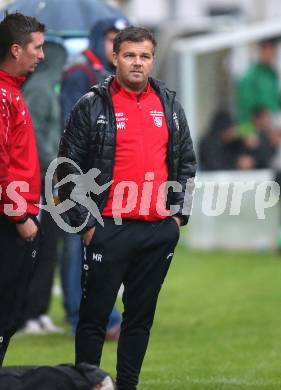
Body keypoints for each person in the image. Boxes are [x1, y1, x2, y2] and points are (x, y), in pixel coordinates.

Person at [58, 26, 196, 389]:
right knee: (94, 318)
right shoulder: (92, 104)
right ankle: (87, 384)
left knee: (140, 319)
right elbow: (66, 169)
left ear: (152, 60)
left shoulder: (169, 105)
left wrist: (177, 216)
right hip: (107, 228)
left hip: (156, 230)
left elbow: (186, 164)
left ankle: (127, 386)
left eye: (145, 56)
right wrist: (86, 223)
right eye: (130, 55)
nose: (137, 62)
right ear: (115, 57)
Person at [60, 17, 128, 337]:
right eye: (112, 39)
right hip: (79, 172)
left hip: (102, 173)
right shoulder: (80, 72)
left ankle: (101, 315)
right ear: (99, 38)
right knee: (80, 245)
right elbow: (72, 125)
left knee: (98, 245)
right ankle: (81, 317)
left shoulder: (108, 75)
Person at [0, 12, 45, 364]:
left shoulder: (12, 91)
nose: (41, 55)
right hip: (10, 220)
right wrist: (20, 216)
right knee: (5, 313)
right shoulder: (2, 95)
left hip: (18, 214)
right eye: (37, 48)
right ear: (16, 50)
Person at [18, 37, 67, 334]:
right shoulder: (38, 91)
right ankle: (28, 313)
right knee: (39, 247)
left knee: (50, 246)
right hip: (40, 181)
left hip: (48, 178)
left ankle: (39, 311)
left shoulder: (46, 89)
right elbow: (34, 138)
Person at [237, 37, 281, 135]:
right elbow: (246, 109)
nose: (274, 54)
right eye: (271, 49)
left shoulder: (272, 74)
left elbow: (276, 102)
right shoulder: (249, 77)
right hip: (256, 131)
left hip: (274, 128)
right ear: (262, 50)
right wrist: (249, 133)